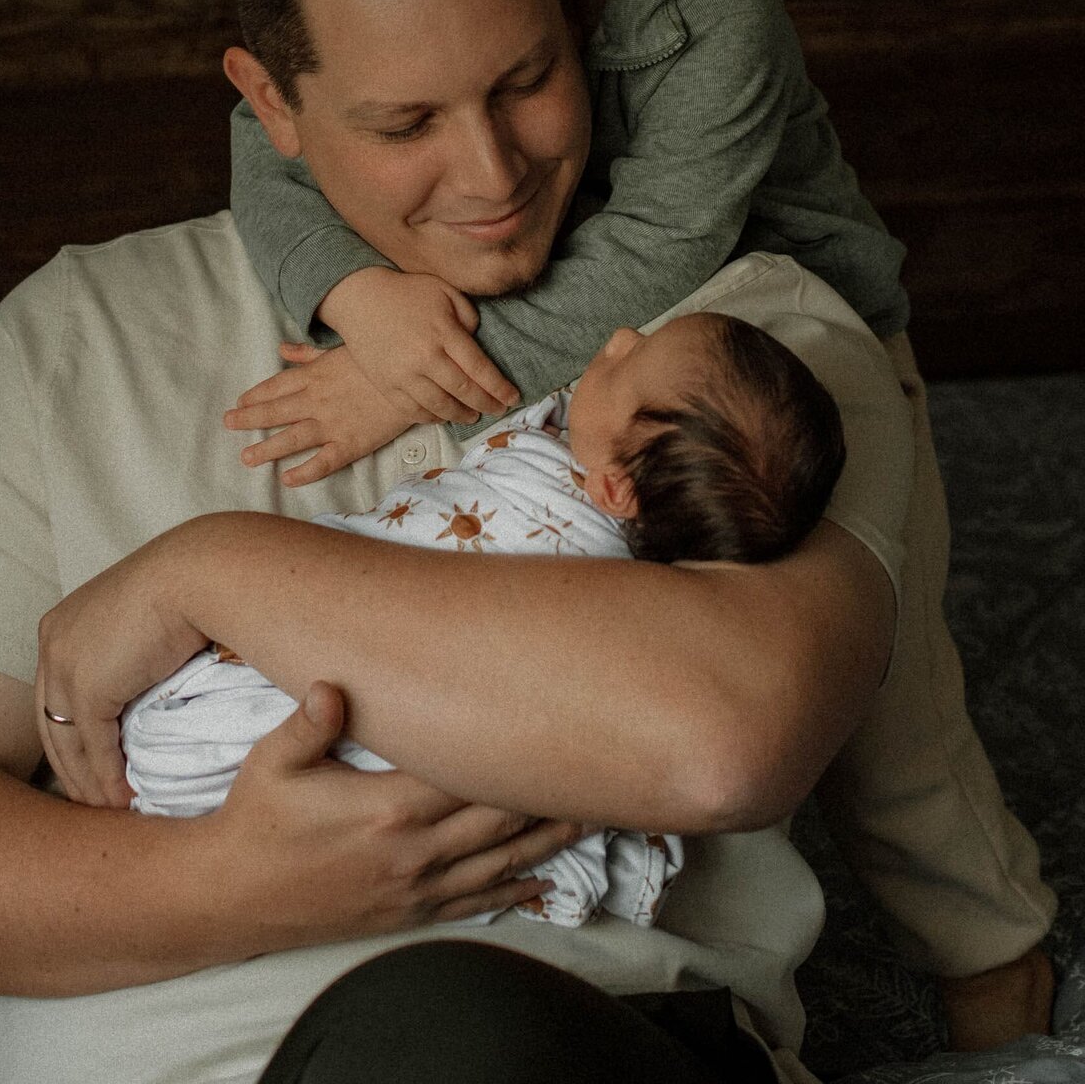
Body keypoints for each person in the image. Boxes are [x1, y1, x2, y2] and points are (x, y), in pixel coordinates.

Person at [0, 0, 909, 1084]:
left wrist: (208, 569)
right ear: (273, 106)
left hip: (560, 1048)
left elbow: (720, 743)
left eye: (527, 79)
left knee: (442, 1036)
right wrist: (231, 887)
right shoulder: (82, 334)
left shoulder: (736, 346)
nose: (490, 176)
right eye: (405, 123)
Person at [223, 0, 1056, 1044]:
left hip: (781, 332)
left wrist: (405, 390)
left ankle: (996, 957)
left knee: (894, 697)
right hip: (614, 357)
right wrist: (352, 294)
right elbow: (269, 134)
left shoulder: (720, 14)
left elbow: (664, 255)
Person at [122, 310, 847, 936]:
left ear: (613, 488)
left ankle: (201, 769)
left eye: (628, 362)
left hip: (224, 745)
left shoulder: (587, 548)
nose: (619, 337)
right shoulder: (619, 480)